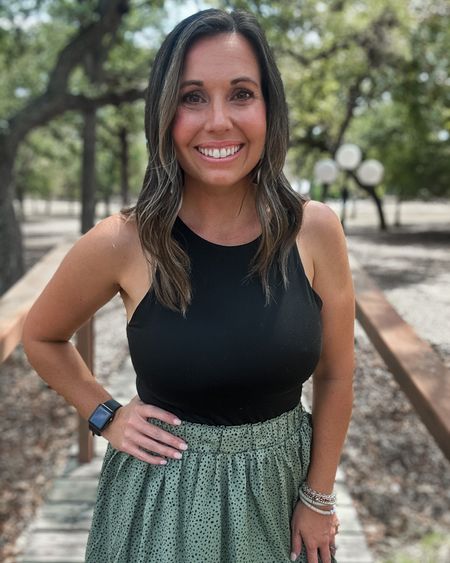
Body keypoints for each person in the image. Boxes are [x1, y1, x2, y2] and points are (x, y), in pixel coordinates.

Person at [22, 8, 354, 563]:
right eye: (192, 96)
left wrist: (319, 497)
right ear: (163, 113)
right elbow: (42, 336)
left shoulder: (315, 230)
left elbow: (338, 375)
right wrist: (105, 414)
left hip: (285, 501)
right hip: (162, 507)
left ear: (269, 108)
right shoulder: (124, 241)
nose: (218, 121)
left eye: (242, 94)